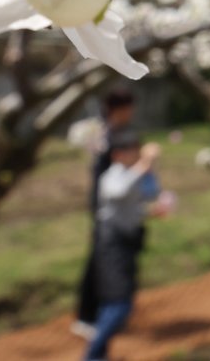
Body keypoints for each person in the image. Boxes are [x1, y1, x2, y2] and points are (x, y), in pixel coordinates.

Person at [85, 129, 166, 361]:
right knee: (120, 303)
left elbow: (150, 193)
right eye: (133, 151)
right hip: (111, 244)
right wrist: (145, 164)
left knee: (119, 300)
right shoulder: (112, 175)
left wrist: (151, 170)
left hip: (128, 243)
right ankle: (92, 355)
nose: (137, 155)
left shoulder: (134, 173)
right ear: (118, 155)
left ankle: (99, 353)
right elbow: (119, 192)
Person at [73, 89, 136, 340]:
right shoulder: (104, 135)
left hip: (116, 207)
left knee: (108, 262)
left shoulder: (114, 132)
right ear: (117, 108)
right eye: (129, 107)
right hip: (105, 208)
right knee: (99, 262)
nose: (132, 112)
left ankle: (106, 312)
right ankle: (86, 315)